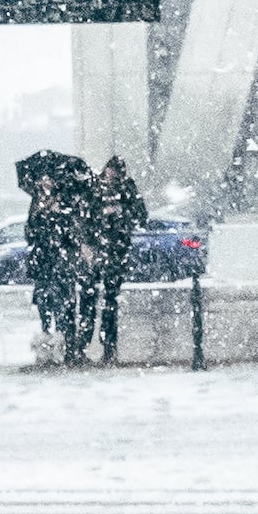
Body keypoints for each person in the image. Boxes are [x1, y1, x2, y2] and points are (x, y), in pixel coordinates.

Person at [14, 150, 89, 367]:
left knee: (63, 304)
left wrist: (58, 214)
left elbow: (71, 233)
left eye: (48, 178)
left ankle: (64, 343)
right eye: (42, 179)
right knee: (43, 302)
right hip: (42, 260)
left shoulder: (64, 202)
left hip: (60, 260)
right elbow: (30, 234)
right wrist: (39, 217)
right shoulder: (35, 204)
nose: (45, 182)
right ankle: (46, 339)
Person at [78, 154, 147, 364]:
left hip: (115, 252)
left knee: (108, 302)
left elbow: (140, 215)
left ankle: (107, 347)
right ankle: (84, 344)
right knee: (89, 299)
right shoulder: (94, 190)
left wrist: (121, 212)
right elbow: (83, 219)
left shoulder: (127, 189)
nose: (112, 177)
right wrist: (88, 243)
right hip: (98, 251)